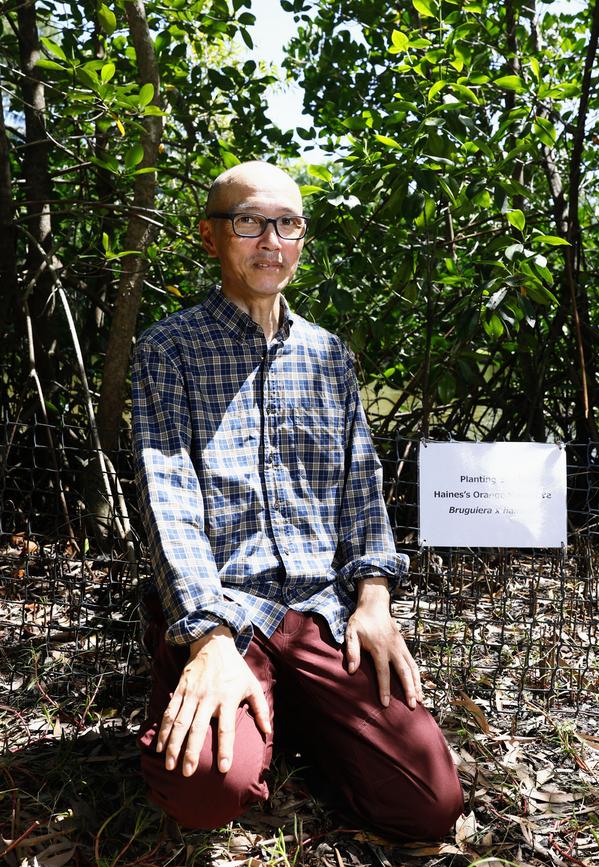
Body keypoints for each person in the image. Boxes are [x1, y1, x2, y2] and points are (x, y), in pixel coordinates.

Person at [132, 160, 463, 838]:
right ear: (210, 236)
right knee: (203, 793)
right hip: (225, 608)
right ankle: (214, 688)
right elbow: (168, 499)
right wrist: (208, 638)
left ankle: (300, 713)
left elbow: (361, 487)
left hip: (320, 612)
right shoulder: (169, 349)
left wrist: (374, 598)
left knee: (428, 803)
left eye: (288, 224)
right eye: (250, 222)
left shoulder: (328, 356)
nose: (272, 240)